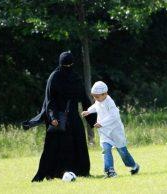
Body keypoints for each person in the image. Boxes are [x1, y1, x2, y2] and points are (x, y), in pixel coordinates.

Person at [22, 51, 96, 182]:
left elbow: (84, 99)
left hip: (72, 118)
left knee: (77, 144)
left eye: (70, 65)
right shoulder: (55, 77)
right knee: (54, 147)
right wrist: (53, 117)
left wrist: (93, 119)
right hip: (59, 119)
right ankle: (52, 173)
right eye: (66, 65)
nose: (68, 68)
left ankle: (81, 171)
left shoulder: (74, 78)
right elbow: (50, 100)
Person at [81, 81, 140, 178]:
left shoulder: (110, 102)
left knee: (122, 151)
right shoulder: (98, 101)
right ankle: (109, 171)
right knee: (106, 149)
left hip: (116, 132)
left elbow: (114, 116)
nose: (95, 98)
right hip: (105, 132)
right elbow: (96, 106)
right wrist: (88, 111)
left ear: (105, 94)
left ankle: (134, 166)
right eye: (94, 96)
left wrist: (101, 123)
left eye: (97, 96)